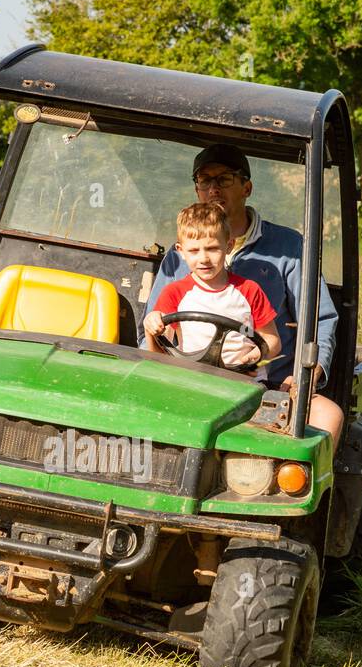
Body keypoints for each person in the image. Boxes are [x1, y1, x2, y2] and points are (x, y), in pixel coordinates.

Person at [140, 143, 344, 450]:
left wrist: (304, 378)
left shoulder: (287, 247)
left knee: (328, 416)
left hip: (263, 382)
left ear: (246, 187)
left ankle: (297, 491)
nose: (213, 189)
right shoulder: (179, 256)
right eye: (205, 182)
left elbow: (320, 321)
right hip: (188, 376)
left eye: (223, 180)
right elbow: (154, 328)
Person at [143, 202, 281, 373]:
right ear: (181, 251)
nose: (204, 259)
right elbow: (160, 358)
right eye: (194, 250)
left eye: (212, 248)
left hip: (243, 379)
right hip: (192, 378)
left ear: (229, 246)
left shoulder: (249, 290)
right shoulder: (174, 293)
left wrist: (255, 358)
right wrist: (151, 329)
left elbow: (272, 341)